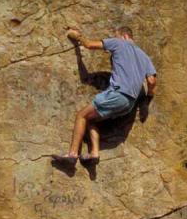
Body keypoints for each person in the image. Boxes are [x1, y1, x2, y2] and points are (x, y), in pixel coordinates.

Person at [52, 25, 157, 165]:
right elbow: (152, 80)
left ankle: (72, 154)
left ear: (124, 36)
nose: (114, 37)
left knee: (81, 116)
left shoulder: (119, 43)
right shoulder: (144, 56)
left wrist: (76, 37)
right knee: (90, 119)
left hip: (117, 94)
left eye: (116, 35)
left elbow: (89, 45)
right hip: (129, 104)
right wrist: (147, 99)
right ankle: (94, 153)